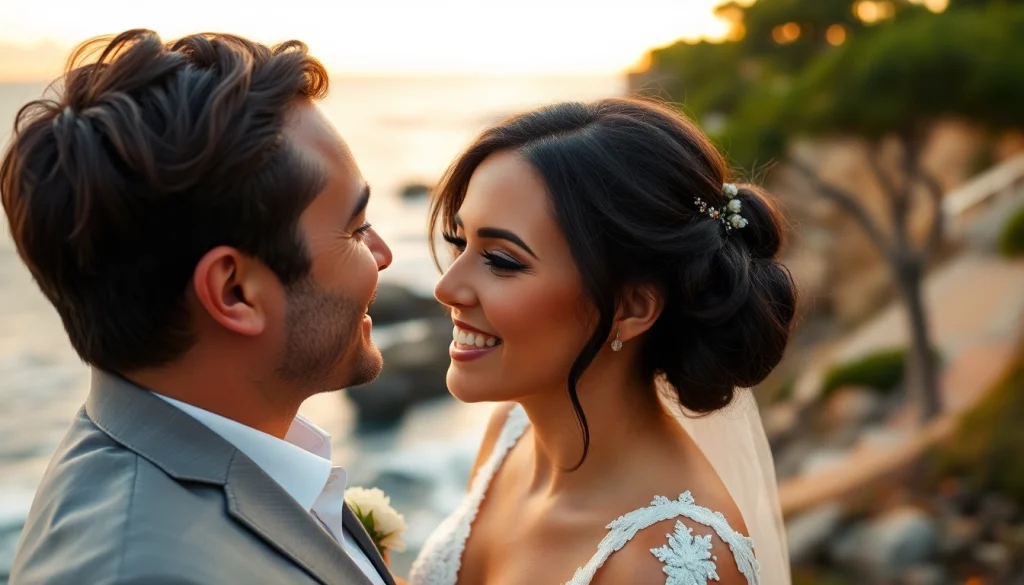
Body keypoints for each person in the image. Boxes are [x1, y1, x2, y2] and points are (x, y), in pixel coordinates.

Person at [2, 29, 395, 585]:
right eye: (356, 230)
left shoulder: (231, 453)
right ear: (234, 292)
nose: (383, 254)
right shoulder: (143, 572)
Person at [408, 98, 796, 585]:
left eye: (503, 260)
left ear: (632, 307)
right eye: (460, 241)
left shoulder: (671, 562)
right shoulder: (510, 434)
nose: (446, 288)